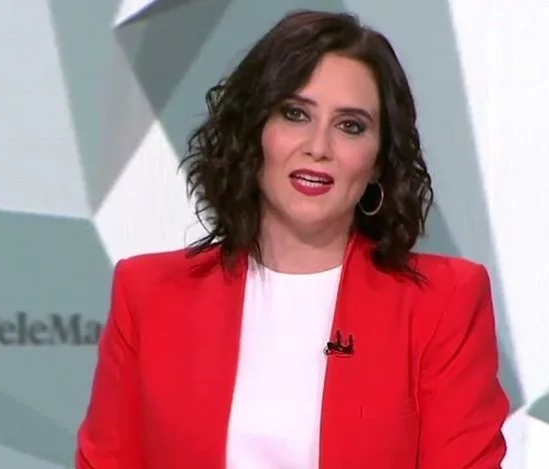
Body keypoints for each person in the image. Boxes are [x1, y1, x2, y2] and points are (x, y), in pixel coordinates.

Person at [75, 9, 509, 469]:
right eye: (295, 114)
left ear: (379, 160)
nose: (318, 147)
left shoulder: (443, 304)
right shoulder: (148, 295)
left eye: (350, 125)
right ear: (255, 130)